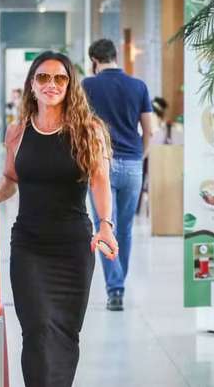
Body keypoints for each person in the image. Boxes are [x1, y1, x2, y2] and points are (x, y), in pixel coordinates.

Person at [0, 51, 118, 387]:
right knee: (37, 328)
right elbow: (10, 178)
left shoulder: (88, 130)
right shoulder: (17, 132)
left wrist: (106, 225)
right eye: (43, 77)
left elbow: (100, 181)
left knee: (65, 331)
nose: (51, 84)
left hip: (73, 247)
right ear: (32, 85)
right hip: (30, 246)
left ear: (70, 85)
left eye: (60, 78)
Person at [82, 38, 153, 311]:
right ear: (115, 56)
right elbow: (149, 130)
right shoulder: (138, 86)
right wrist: (140, 156)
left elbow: (81, 125)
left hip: (102, 164)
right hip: (133, 163)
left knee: (104, 225)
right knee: (125, 228)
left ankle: (115, 289)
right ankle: (119, 281)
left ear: (94, 61)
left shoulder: (88, 86)